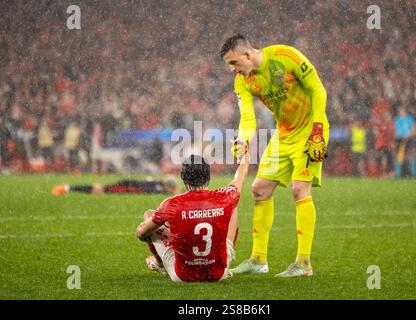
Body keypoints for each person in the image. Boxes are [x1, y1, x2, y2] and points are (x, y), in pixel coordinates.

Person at [220, 34, 329, 277]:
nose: (232, 70)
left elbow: (317, 88)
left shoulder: (285, 56)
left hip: (310, 130)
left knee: (300, 189)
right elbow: (247, 117)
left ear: (247, 54)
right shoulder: (242, 81)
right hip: (284, 134)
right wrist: (242, 139)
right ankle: (258, 260)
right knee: (259, 189)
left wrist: (319, 128)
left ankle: (303, 264)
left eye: (234, 63)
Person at [135, 152, 249, 282]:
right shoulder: (225, 197)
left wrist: (169, 234)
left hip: (183, 275)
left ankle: (159, 261)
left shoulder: (172, 204)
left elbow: (141, 233)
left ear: (183, 177)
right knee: (233, 202)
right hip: (218, 274)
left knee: (149, 215)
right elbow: (240, 176)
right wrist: (244, 155)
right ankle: (228, 254)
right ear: (208, 175)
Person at [51, 176, 180, 195]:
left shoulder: (158, 184)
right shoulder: (158, 188)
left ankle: (69, 188)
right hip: (125, 186)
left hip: (127, 183)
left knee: (100, 188)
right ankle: (69, 188)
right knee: (99, 189)